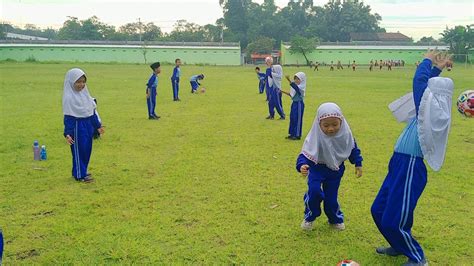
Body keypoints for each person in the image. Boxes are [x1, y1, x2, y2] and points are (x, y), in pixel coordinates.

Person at [371, 51, 454, 266]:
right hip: (398, 163)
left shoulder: (434, 112)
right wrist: (437, 68)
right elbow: (424, 89)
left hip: (410, 167)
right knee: (378, 210)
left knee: (393, 220)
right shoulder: (428, 109)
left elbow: (419, 83)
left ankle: (417, 258)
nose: (425, 93)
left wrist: (427, 60)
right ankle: (398, 246)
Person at [296, 103, 363, 231]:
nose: (330, 129)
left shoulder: (345, 135)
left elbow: (353, 148)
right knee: (314, 192)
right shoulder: (315, 136)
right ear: (318, 124)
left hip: (335, 171)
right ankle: (310, 216)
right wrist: (302, 165)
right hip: (317, 169)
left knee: (331, 198)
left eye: (335, 125)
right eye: (326, 125)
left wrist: (358, 163)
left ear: (341, 122)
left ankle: (335, 219)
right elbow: (305, 153)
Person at [63, 68, 104, 183]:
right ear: (71, 82)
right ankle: (79, 175)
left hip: (88, 126)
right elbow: (68, 117)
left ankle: (82, 170)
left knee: (87, 149)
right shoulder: (69, 98)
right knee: (78, 151)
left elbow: (91, 112)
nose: (81, 85)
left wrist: (98, 126)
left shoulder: (85, 94)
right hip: (77, 126)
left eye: (83, 81)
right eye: (78, 82)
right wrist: (68, 133)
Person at [281, 72, 306, 140]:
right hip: (294, 104)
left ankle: (297, 135)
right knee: (292, 118)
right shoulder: (295, 87)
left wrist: (289, 80)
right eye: (295, 79)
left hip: (299, 104)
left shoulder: (301, 88)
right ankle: (292, 134)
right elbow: (291, 94)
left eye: (298, 79)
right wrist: (282, 91)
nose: (296, 80)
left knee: (297, 119)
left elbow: (296, 89)